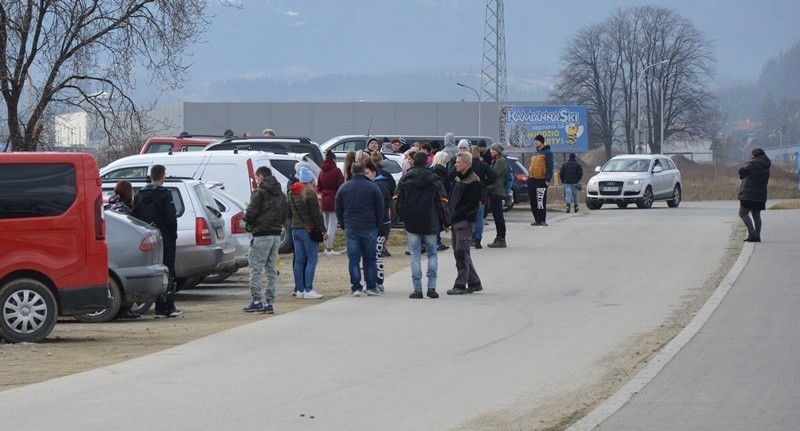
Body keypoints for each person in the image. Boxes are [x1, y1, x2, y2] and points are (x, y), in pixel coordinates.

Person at [395, 152, 451, 299]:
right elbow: (443, 202)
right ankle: (432, 288)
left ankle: (417, 289)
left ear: (413, 161)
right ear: (427, 162)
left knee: (415, 255)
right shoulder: (435, 180)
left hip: (412, 222)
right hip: (431, 222)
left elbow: (397, 200)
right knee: (432, 254)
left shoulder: (406, 179)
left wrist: (403, 217)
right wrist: (446, 222)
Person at [131, 164, 180, 318]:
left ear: (151, 176)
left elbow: (134, 219)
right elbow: (171, 218)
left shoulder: (139, 195)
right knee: (168, 271)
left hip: (147, 239)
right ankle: (167, 306)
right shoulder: (165, 195)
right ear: (162, 176)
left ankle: (156, 307)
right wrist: (173, 235)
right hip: (164, 238)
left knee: (153, 271)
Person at [335, 161, 385, 296]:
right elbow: (380, 208)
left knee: (354, 259)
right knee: (370, 258)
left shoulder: (344, 188)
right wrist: (377, 225)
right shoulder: (372, 187)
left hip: (351, 226)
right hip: (369, 226)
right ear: (364, 171)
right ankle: (370, 286)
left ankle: (356, 287)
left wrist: (343, 224)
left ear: (351, 171)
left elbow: (338, 208)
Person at [242, 166, 287, 314]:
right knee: (271, 269)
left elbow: (251, 213)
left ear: (261, 177)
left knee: (255, 268)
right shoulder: (281, 194)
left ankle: (256, 300)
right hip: (276, 234)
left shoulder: (259, 193)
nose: (256, 181)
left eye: (256, 178)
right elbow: (286, 214)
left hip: (261, 234)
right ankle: (270, 303)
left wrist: (246, 220)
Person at [447, 152, 484, 295]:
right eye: (456, 162)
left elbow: (473, 205)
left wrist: (457, 214)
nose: (456, 164)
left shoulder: (473, 181)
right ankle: (475, 282)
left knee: (462, 253)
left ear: (467, 164)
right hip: (455, 220)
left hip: (465, 222)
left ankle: (460, 285)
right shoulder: (458, 178)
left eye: (459, 162)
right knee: (460, 252)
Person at [288, 167, 326, 299]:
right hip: (308, 230)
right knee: (312, 260)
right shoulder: (310, 193)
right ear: (311, 180)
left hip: (295, 229)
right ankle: (309, 289)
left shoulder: (291, 192)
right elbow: (316, 215)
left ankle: (299, 289)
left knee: (299, 261)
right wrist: (323, 230)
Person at [106, 180, 141, 319]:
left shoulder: (113, 204)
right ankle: (125, 310)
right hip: (124, 246)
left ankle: (126, 310)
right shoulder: (122, 208)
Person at [364, 162, 392, 292]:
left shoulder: (377, 185)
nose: (365, 176)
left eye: (367, 173)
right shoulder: (381, 184)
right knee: (376, 253)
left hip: (380, 224)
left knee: (375, 254)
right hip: (383, 223)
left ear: (374, 173)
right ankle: (377, 282)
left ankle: (378, 282)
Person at [738, 148, 771, 242]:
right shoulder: (766, 166)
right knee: (756, 215)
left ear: (754, 155)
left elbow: (741, 171)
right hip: (760, 195)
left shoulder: (752, 164)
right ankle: (757, 236)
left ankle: (752, 234)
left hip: (748, 194)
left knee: (743, 213)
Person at [317, 150, 345, 255]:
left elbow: (319, 186)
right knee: (332, 225)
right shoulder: (337, 170)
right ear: (334, 159)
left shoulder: (321, 171)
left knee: (325, 224)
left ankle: (326, 247)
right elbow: (341, 185)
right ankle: (329, 248)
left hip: (324, 199)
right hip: (334, 199)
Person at [468, 146, 496, 249]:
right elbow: (493, 176)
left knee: (470, 218)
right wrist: (485, 183)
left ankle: (470, 237)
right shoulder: (483, 165)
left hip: (469, 194)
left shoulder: (467, 165)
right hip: (481, 194)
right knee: (479, 218)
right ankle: (478, 240)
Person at [528, 135, 555, 226]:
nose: (535, 142)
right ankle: (536, 219)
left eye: (537, 141)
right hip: (532, 180)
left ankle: (542, 220)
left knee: (540, 200)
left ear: (541, 142)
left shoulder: (548, 153)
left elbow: (550, 166)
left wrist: (548, 179)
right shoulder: (536, 153)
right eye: (534, 141)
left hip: (541, 180)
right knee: (533, 201)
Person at [486, 143, 508, 248]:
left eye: (493, 149)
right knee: (496, 216)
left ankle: (501, 238)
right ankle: (499, 236)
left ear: (498, 151)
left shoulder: (500, 162)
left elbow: (493, 175)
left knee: (498, 216)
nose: (490, 151)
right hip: (494, 191)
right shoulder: (495, 161)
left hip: (497, 191)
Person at [431, 151, 451, 251]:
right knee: (438, 220)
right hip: (440, 198)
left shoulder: (432, 170)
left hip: (433, 199)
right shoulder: (441, 171)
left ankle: (437, 241)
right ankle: (437, 242)